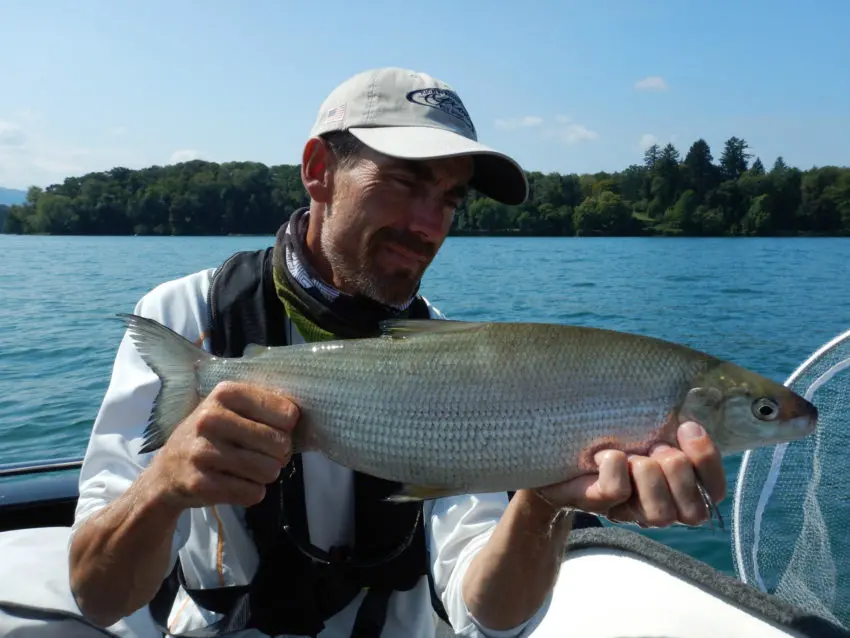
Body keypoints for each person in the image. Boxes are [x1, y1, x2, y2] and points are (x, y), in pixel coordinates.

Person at [67, 67, 727, 638]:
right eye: (407, 183)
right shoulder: (190, 321)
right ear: (319, 171)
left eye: (448, 199)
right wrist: (161, 488)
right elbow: (98, 598)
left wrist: (544, 502)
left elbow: (489, 618)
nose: (429, 225)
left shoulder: (462, 361)